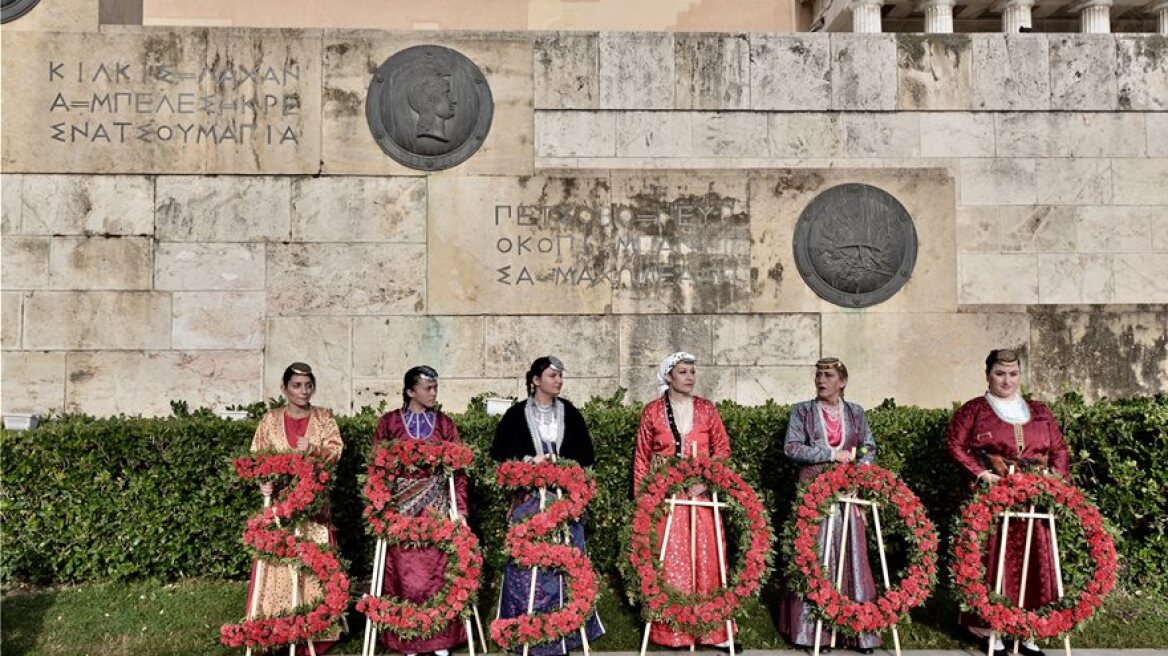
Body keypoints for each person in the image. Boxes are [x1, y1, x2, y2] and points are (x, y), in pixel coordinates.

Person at [947, 349, 1070, 656]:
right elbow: (955, 445)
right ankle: (992, 632)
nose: (1007, 380)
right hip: (993, 498)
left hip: (1033, 499)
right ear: (988, 375)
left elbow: (1059, 450)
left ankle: (1028, 631)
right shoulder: (974, 410)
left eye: (1013, 374)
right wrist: (981, 474)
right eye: (1000, 374)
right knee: (994, 561)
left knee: (1034, 560)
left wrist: (1054, 480)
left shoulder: (1040, 411)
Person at [489, 355, 605, 656]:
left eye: (560, 376)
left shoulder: (571, 414)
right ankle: (525, 628)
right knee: (529, 565)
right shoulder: (515, 415)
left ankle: (568, 633)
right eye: (553, 375)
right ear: (536, 380)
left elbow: (586, 458)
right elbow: (500, 456)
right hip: (530, 502)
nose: (558, 380)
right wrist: (529, 463)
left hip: (565, 502)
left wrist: (565, 470)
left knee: (569, 558)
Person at [631, 352, 736, 651]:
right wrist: (645, 501)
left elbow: (722, 450)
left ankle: (714, 632)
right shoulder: (652, 412)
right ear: (668, 376)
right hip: (666, 501)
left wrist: (706, 480)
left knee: (707, 557)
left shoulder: (706, 409)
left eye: (692, 371)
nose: (690, 377)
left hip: (700, 496)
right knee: (670, 561)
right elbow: (642, 458)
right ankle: (672, 632)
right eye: (683, 371)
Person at [777, 357, 879, 654]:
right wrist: (832, 454)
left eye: (829, 375)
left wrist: (859, 466)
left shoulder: (856, 413)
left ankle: (856, 632)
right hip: (814, 493)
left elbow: (867, 447)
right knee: (815, 557)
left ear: (842, 381)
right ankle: (813, 633)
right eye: (819, 375)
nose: (822, 380)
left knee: (852, 556)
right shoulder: (803, 412)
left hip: (848, 492)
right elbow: (792, 447)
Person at [246, 362, 345, 652]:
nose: (304, 391)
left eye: (308, 385)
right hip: (280, 506)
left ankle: (317, 628)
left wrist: (313, 450)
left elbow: (336, 451)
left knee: (315, 561)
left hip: (314, 505)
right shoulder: (269, 420)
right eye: (297, 386)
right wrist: (262, 483)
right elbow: (257, 459)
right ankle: (276, 624)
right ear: (284, 389)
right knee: (280, 560)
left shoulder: (324, 417)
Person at [372, 365, 468, 656]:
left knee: (438, 569)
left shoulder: (445, 424)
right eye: (428, 388)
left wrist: (460, 510)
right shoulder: (390, 423)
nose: (434, 393)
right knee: (403, 569)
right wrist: (380, 505)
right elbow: (377, 467)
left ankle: (440, 639)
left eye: (436, 387)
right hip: (401, 505)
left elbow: (458, 470)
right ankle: (408, 638)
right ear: (410, 391)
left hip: (436, 503)